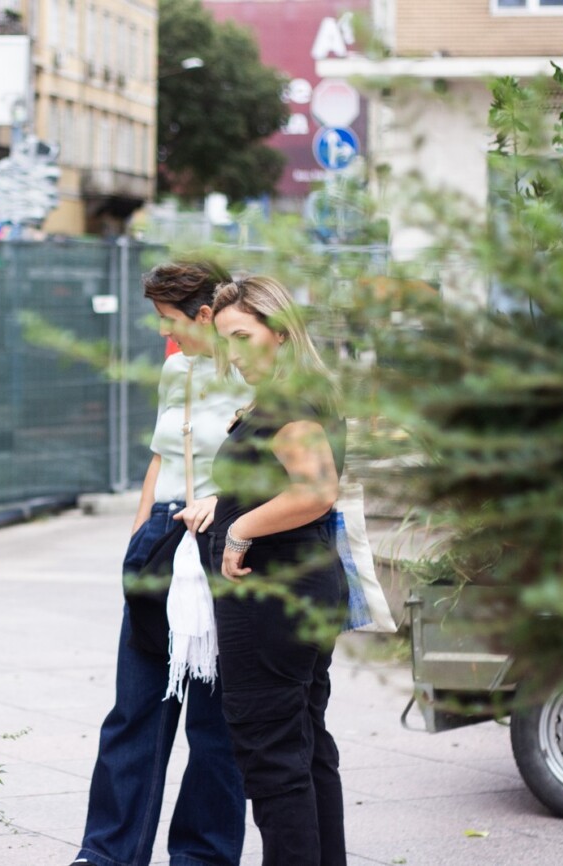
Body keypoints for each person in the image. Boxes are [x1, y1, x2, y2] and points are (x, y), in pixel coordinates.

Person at [73, 262, 247, 866]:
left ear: (206, 315)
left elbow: (269, 466)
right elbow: (160, 457)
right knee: (135, 708)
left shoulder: (253, 376)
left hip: (221, 539)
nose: (162, 331)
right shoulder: (177, 370)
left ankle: (203, 856)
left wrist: (224, 505)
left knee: (213, 721)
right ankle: (107, 854)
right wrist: (140, 533)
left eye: (169, 319)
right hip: (162, 538)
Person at [209, 276, 347, 866]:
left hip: (274, 597)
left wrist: (240, 529)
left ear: (282, 333)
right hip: (294, 592)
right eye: (225, 341)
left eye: (242, 337)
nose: (233, 354)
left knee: (273, 757)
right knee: (304, 749)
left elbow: (316, 491)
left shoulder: (289, 403)